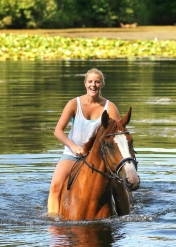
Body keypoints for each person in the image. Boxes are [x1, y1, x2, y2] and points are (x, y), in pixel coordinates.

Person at [47, 68, 122, 215]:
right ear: (85, 83)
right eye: (90, 82)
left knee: (119, 186)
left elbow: (118, 135)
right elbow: (58, 131)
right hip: (73, 154)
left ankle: (126, 219)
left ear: (102, 84)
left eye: (97, 82)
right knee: (55, 186)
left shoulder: (110, 107)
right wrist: (73, 146)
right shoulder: (74, 104)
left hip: (99, 158)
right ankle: (53, 221)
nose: (93, 85)